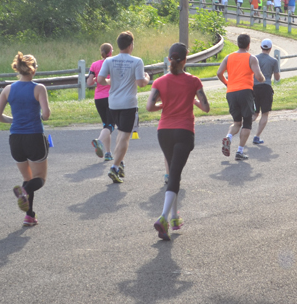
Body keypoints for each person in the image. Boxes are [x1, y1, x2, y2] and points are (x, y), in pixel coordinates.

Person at [146, 43, 210, 241]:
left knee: (174, 172)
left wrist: (164, 105)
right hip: (184, 131)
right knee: (175, 174)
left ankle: (174, 217)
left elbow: (149, 106)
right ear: (185, 60)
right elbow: (206, 107)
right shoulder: (194, 81)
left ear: (168, 59)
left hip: (164, 131)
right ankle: (164, 217)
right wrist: (193, 101)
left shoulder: (160, 82)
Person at [0, 52, 51, 227]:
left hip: (15, 138)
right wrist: (39, 115)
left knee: (28, 177)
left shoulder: (8, 89)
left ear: (18, 69)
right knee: (39, 178)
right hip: (34, 136)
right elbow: (46, 115)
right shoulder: (39, 88)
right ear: (33, 70)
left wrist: (13, 120)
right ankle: (24, 192)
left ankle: (29, 215)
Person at [98, 32, 150, 183]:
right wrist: (147, 77)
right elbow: (141, 83)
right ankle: (114, 167)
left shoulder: (109, 60)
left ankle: (119, 162)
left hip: (113, 102)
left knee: (120, 134)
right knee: (125, 136)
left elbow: (100, 79)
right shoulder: (137, 61)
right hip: (128, 103)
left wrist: (110, 82)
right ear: (130, 45)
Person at [217, 33, 265, 160]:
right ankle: (240, 151)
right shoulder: (251, 58)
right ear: (249, 45)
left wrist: (227, 83)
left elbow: (219, 73)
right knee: (247, 122)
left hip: (231, 92)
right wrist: (262, 78)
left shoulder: (228, 57)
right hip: (245, 92)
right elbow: (259, 77)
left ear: (238, 43)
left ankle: (228, 137)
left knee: (236, 122)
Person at [88, 43, 115, 162]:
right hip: (111, 97)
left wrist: (94, 79)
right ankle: (99, 141)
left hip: (98, 98)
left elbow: (89, 83)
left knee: (106, 125)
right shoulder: (113, 62)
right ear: (110, 52)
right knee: (111, 126)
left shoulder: (94, 64)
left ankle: (108, 153)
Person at [252, 39, 281, 145]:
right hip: (266, 87)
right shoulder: (273, 61)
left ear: (261, 47)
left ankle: (244, 127)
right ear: (270, 48)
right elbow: (277, 78)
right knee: (265, 113)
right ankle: (257, 136)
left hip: (254, 87)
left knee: (255, 113)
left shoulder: (254, 58)